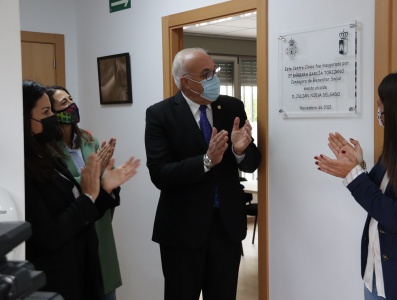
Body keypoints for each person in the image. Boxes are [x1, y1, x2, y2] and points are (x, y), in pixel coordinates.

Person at [314, 71, 397, 300]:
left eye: (382, 109)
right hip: (377, 274)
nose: (380, 116)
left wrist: (355, 176)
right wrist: (357, 165)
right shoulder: (395, 151)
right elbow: (379, 198)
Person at [145, 48, 261, 300]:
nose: (213, 78)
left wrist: (241, 151)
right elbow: (160, 173)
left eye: (214, 71)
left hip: (226, 227)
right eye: (206, 73)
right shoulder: (160, 114)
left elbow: (252, 163)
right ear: (186, 81)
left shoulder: (232, 106)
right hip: (182, 231)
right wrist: (206, 162)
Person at [22, 80, 140, 300]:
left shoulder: (48, 157)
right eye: (46, 111)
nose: (51, 118)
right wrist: (89, 190)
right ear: (24, 118)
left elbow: (80, 197)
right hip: (58, 276)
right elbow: (49, 234)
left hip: (85, 259)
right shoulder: (24, 167)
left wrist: (104, 187)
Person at [46, 85, 122, 300]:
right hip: (73, 225)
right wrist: (94, 177)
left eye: (71, 99)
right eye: (64, 103)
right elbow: (61, 185)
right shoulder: (48, 149)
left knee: (106, 288)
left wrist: (107, 175)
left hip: (100, 224)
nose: (71, 105)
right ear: (51, 113)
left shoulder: (90, 140)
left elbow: (107, 175)